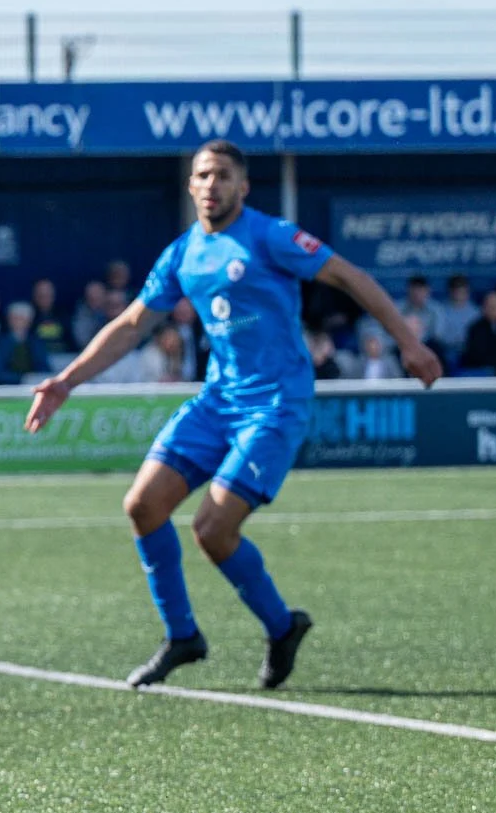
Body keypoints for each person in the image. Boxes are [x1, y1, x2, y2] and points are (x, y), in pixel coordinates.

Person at [25, 140, 441, 690]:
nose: (212, 184)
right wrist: (66, 381)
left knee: (212, 529)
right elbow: (131, 325)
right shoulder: (182, 254)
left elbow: (349, 276)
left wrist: (407, 344)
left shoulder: (270, 236)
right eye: (203, 174)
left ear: (242, 187)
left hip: (275, 403)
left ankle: (279, 625)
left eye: (223, 175)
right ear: (190, 185)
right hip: (218, 401)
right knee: (143, 506)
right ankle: (183, 636)